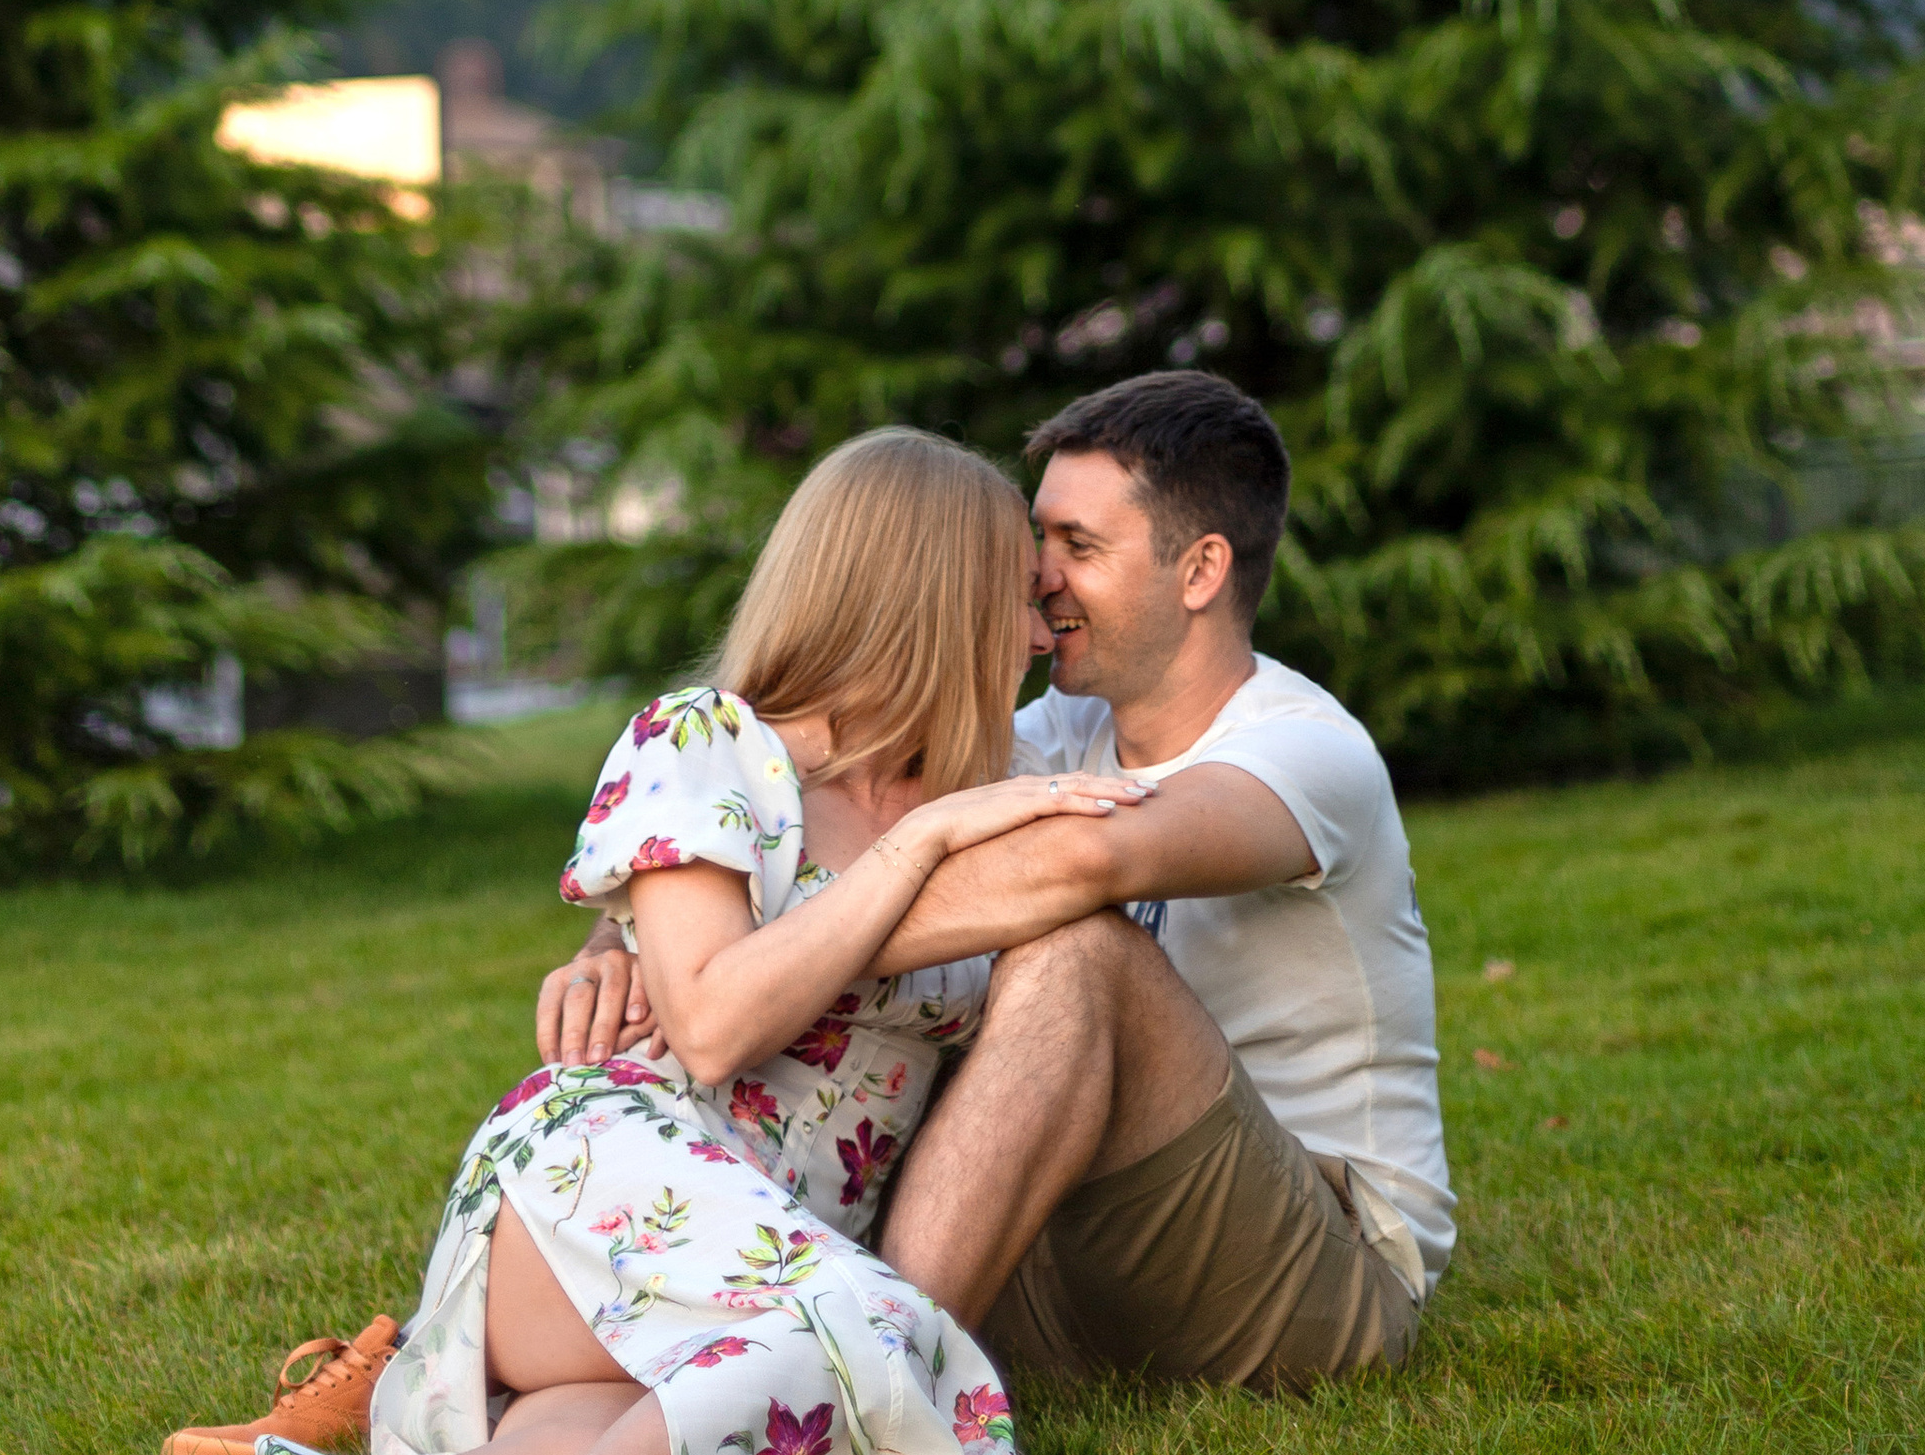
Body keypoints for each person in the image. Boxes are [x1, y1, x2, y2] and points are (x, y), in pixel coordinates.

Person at [0, 428, 1142, 1455]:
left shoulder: (989, 795)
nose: (1046, 617)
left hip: (756, 1261)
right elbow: (711, 1024)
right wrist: (909, 852)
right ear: (931, 592)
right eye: (1023, 589)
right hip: (614, 1183)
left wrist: (958, 829)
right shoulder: (712, 746)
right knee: (871, 1336)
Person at [547, 371, 1451, 1399]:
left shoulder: (1304, 753)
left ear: (1200, 571)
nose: (1040, 579)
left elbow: (1081, 862)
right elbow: (813, 830)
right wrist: (635, 938)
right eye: (1038, 545)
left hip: (1303, 1263)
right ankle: (529, 1362)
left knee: (1082, 947)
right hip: (1069, 1231)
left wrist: (740, 967)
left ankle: (855, 1404)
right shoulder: (1044, 739)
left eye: (1080, 548)